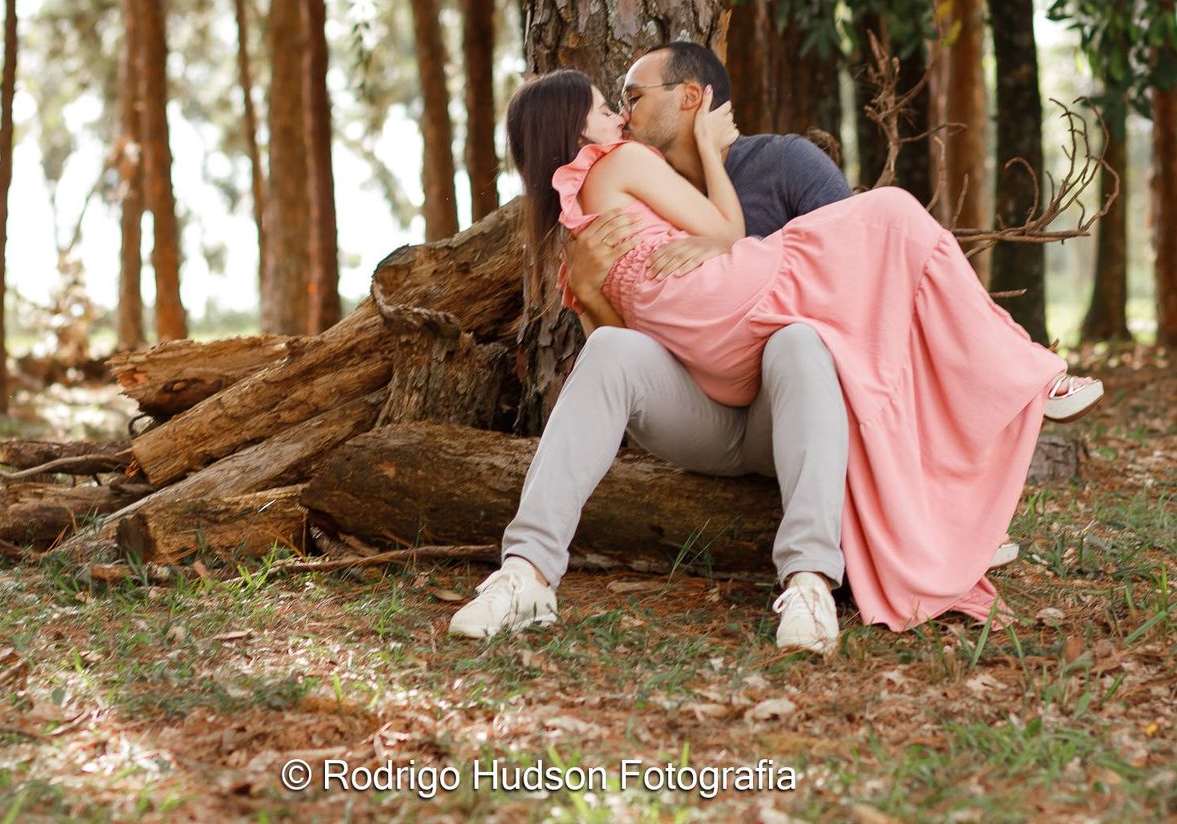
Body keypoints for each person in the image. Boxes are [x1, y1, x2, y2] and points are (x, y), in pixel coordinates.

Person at [447, 44, 1099, 653]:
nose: (621, 111)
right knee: (613, 348)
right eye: (609, 103)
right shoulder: (615, 202)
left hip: (785, 401)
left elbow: (866, 297)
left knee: (809, 332)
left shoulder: (776, 163)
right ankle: (527, 573)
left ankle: (812, 581)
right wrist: (589, 296)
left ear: (691, 98)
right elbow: (633, 345)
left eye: (632, 95)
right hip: (703, 404)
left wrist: (709, 164)